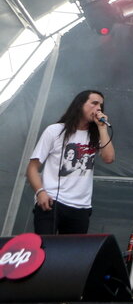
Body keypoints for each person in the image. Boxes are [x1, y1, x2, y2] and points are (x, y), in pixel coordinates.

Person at [25, 90, 115, 234]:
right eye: (94, 103)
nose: (98, 108)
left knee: (71, 254)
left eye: (101, 106)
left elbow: (109, 158)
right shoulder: (55, 131)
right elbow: (32, 168)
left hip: (81, 207)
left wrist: (102, 129)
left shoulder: (96, 135)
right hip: (51, 201)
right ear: (80, 105)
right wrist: (40, 192)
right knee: (45, 250)